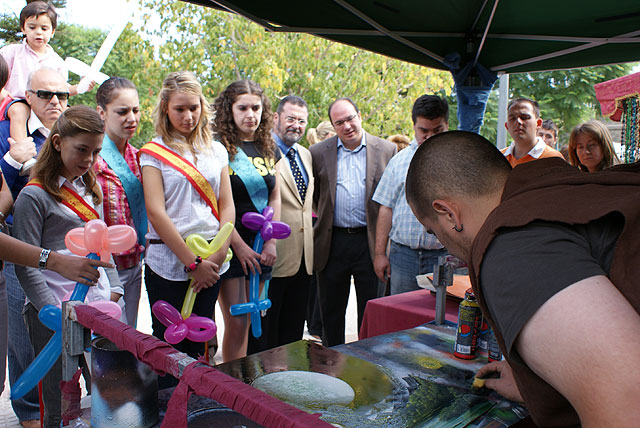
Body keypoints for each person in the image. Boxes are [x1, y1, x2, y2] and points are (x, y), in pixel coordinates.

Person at [405, 130, 640, 428]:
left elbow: (628, 403)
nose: (441, 241)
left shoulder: (512, 248)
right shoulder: (551, 187)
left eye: (432, 230)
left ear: (448, 213)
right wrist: (537, 385)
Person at [13, 105, 123, 427]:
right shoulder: (33, 198)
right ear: (58, 142)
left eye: (95, 152)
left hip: (98, 306)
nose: (89, 159)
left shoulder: (92, 189)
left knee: (106, 390)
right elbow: (26, 263)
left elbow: (106, 243)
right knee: (59, 397)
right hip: (51, 312)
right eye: (81, 150)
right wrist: (53, 313)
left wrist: (114, 289)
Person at [140, 71, 233, 365]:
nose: (188, 116)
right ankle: (168, 405)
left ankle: (197, 405)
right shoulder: (153, 153)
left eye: (194, 107)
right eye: (180, 108)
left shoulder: (216, 150)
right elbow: (156, 211)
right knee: (168, 341)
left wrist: (216, 257)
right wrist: (192, 263)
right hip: (170, 258)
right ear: (165, 107)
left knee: (200, 338)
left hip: (212, 256)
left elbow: (227, 206)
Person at [0, 67, 68, 427]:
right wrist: (15, 160)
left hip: (63, 252)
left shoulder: (72, 134)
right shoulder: (9, 134)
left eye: (62, 95)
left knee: (65, 333)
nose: (55, 101)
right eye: (45, 94)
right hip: (16, 248)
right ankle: (29, 415)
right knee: (23, 337)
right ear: (28, 97)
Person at [310, 97, 396, 346]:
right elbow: (316, 198)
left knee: (370, 311)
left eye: (349, 118)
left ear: (360, 115)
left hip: (370, 242)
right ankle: (331, 365)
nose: (346, 126)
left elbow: (390, 200)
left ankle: (368, 363)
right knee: (331, 312)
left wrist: (383, 249)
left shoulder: (386, 150)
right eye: (339, 122)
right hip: (332, 241)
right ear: (332, 126)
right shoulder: (318, 152)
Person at [212, 80, 281, 361]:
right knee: (237, 322)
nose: (250, 114)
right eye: (242, 108)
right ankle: (231, 386)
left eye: (256, 107)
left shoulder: (268, 146)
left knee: (252, 320)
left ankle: (242, 385)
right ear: (229, 111)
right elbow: (217, 203)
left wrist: (272, 241)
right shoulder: (218, 149)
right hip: (231, 246)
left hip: (261, 245)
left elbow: (274, 196)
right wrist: (237, 245)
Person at [372, 95, 448, 295]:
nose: (430, 136)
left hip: (444, 257)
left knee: (442, 319)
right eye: (424, 131)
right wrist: (380, 254)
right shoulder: (399, 161)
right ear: (414, 126)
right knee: (402, 319)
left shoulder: (458, 162)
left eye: (437, 130)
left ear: (447, 125)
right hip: (403, 256)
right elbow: (386, 208)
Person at [0, 2, 87, 151]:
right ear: (23, 28)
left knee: (70, 116)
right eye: (32, 27)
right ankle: (22, 150)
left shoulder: (57, 61)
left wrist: (79, 88)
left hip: (45, 102)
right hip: (15, 100)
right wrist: (1, 91)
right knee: (19, 111)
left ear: (52, 31)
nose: (38, 32)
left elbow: (61, 91)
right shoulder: (11, 52)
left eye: (44, 28)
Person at [94, 77, 146, 326]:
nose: (132, 118)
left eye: (135, 110)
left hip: (134, 263)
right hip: (102, 270)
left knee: (129, 338)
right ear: (101, 113)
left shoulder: (139, 157)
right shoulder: (91, 160)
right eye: (122, 111)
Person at [265, 95, 313, 349]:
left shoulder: (305, 155)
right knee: (268, 331)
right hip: (274, 254)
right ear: (276, 118)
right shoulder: (262, 152)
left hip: (304, 258)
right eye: (291, 118)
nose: (296, 125)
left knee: (293, 333)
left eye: (301, 121)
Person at [502, 98, 563, 167]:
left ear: (538, 123)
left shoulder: (553, 159)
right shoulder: (499, 158)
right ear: (507, 126)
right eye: (513, 118)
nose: (518, 122)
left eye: (524, 117)